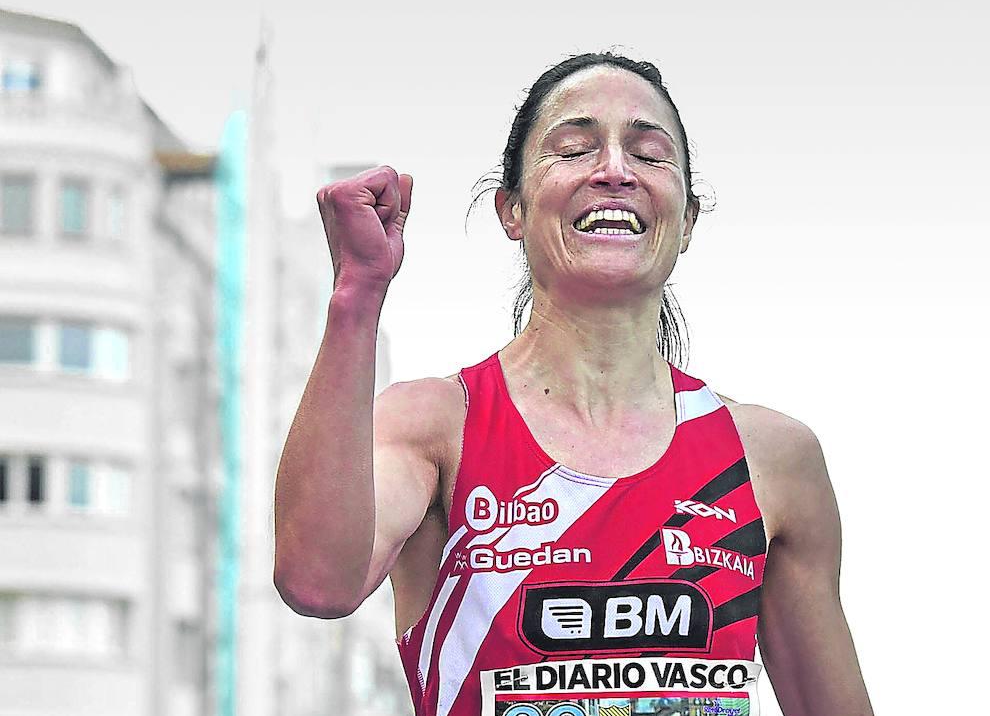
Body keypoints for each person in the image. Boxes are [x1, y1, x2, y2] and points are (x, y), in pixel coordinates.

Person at [274, 52, 874, 716]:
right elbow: (316, 583)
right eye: (574, 148)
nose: (615, 171)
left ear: (688, 223)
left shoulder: (771, 458)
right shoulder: (436, 425)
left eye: (649, 154)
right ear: (512, 210)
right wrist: (357, 295)